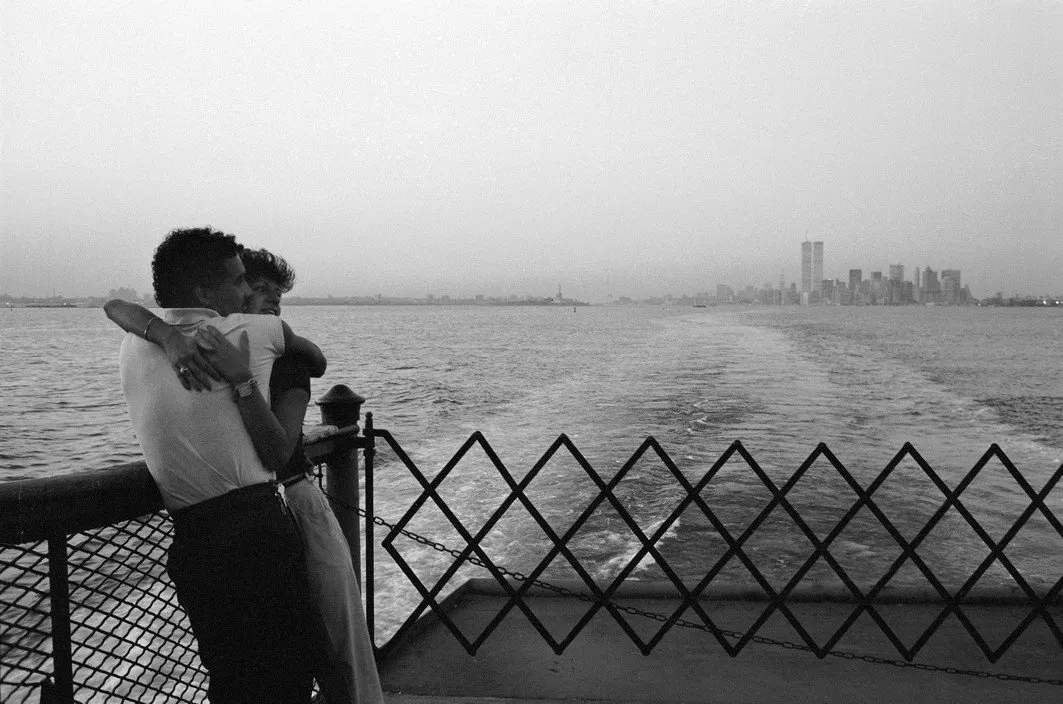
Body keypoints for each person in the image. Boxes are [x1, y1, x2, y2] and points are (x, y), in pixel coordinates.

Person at [107, 241, 383, 703]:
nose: (264, 299)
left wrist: (167, 335)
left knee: (257, 670)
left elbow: (114, 307)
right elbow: (310, 366)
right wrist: (216, 363)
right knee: (292, 668)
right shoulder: (249, 334)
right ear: (209, 290)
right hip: (257, 527)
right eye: (248, 285)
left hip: (206, 533)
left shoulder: (134, 344)